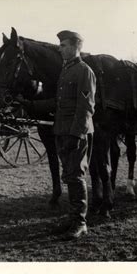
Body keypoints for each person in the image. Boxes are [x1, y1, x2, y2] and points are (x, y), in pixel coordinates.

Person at [52, 30, 96, 240]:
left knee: (76, 176)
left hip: (75, 134)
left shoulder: (83, 71)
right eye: (60, 45)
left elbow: (86, 107)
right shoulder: (66, 70)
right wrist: (30, 105)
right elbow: (60, 103)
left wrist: (76, 135)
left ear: (75, 46)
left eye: (63, 45)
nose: (60, 48)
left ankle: (80, 223)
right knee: (69, 176)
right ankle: (73, 218)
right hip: (62, 131)